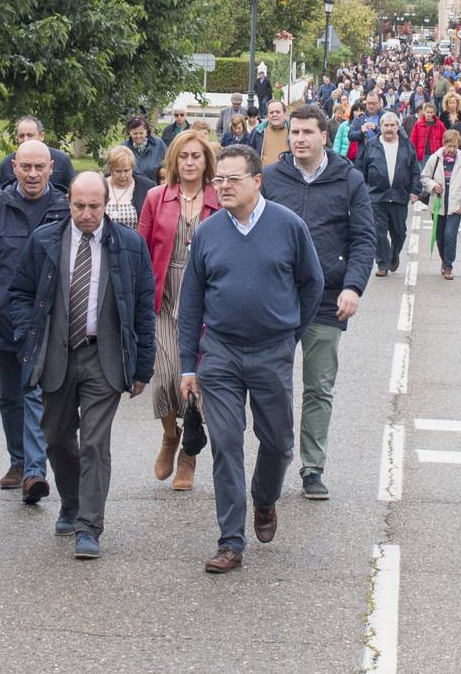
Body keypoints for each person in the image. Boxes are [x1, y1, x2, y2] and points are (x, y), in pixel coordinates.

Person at [182, 145, 324, 572]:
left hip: (271, 351)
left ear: (256, 182)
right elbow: (190, 303)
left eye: (232, 179)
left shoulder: (288, 226)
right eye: (217, 180)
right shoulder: (208, 232)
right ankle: (230, 541)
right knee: (225, 444)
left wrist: (287, 336)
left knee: (279, 443)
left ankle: (265, 498)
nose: (222, 187)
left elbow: (312, 284)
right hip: (221, 353)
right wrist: (189, 365)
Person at [8, 170, 155, 558]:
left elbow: (142, 308)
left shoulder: (129, 245)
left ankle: (89, 526)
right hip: (57, 352)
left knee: (93, 441)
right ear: (68, 203)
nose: (86, 214)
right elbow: (20, 294)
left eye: (94, 206)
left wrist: (143, 367)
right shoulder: (45, 241)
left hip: (102, 355)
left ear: (107, 205)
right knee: (56, 438)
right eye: (78, 206)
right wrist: (27, 336)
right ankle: (71, 501)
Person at [261, 104, 375, 500]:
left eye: (308, 132)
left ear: (324, 135)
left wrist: (354, 287)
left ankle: (312, 467)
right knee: (271, 384)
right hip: (277, 299)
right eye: (294, 132)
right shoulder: (273, 178)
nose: (299, 139)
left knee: (318, 387)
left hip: (328, 299)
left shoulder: (350, 180)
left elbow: (364, 239)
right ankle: (274, 457)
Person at [0, 139, 67, 504]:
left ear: (51, 170)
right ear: (13, 167)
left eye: (39, 168)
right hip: (2, 319)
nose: (32, 174)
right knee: (9, 397)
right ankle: (18, 461)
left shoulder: (64, 207)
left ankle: (34, 471)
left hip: (48, 320)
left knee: (35, 394)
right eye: (25, 167)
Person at [137, 131, 223, 490]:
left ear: (206, 163)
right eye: (183, 156)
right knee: (167, 378)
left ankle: (188, 454)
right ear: (174, 160)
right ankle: (170, 434)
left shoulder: (219, 199)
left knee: (197, 380)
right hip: (165, 295)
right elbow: (139, 248)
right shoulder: (157, 198)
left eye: (196, 157)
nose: (189, 162)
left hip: (205, 298)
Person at [356, 111, 423, 277]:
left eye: (392, 125)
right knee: (379, 232)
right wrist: (360, 192)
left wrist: (415, 190)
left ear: (397, 127)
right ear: (381, 127)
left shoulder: (406, 145)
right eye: (386, 125)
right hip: (376, 196)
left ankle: (394, 256)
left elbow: (415, 170)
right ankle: (382, 264)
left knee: (399, 232)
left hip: (399, 196)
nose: (389, 128)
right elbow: (360, 170)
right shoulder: (371, 145)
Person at [421, 128, 461, 280]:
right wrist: (433, 186)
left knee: (450, 235)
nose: (451, 150)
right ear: (444, 144)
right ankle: (444, 260)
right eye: (449, 146)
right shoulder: (435, 158)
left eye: (454, 146)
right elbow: (424, 177)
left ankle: (449, 265)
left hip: (456, 204)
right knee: (440, 236)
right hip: (438, 203)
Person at [0, 115, 74, 192]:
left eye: (30, 135)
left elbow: (73, 193)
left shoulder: (61, 160)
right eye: (21, 136)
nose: (25, 140)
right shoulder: (6, 163)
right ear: (14, 166)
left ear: (42, 136)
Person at [103, 144, 154, 230]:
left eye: (126, 170)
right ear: (110, 169)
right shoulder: (100, 185)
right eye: (118, 171)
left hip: (136, 241)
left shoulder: (147, 187)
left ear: (132, 168)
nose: (123, 176)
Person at [124, 114, 167, 185]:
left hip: (155, 189)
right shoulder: (124, 148)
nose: (138, 136)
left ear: (146, 131)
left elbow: (169, 166)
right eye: (135, 133)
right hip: (133, 191)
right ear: (129, 132)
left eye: (141, 133)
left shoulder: (159, 144)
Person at [256, 99, 290, 167]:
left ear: (284, 113)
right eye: (271, 112)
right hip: (263, 175)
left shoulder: (293, 131)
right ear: (267, 115)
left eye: (278, 112)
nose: (274, 114)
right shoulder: (258, 131)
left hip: (287, 175)